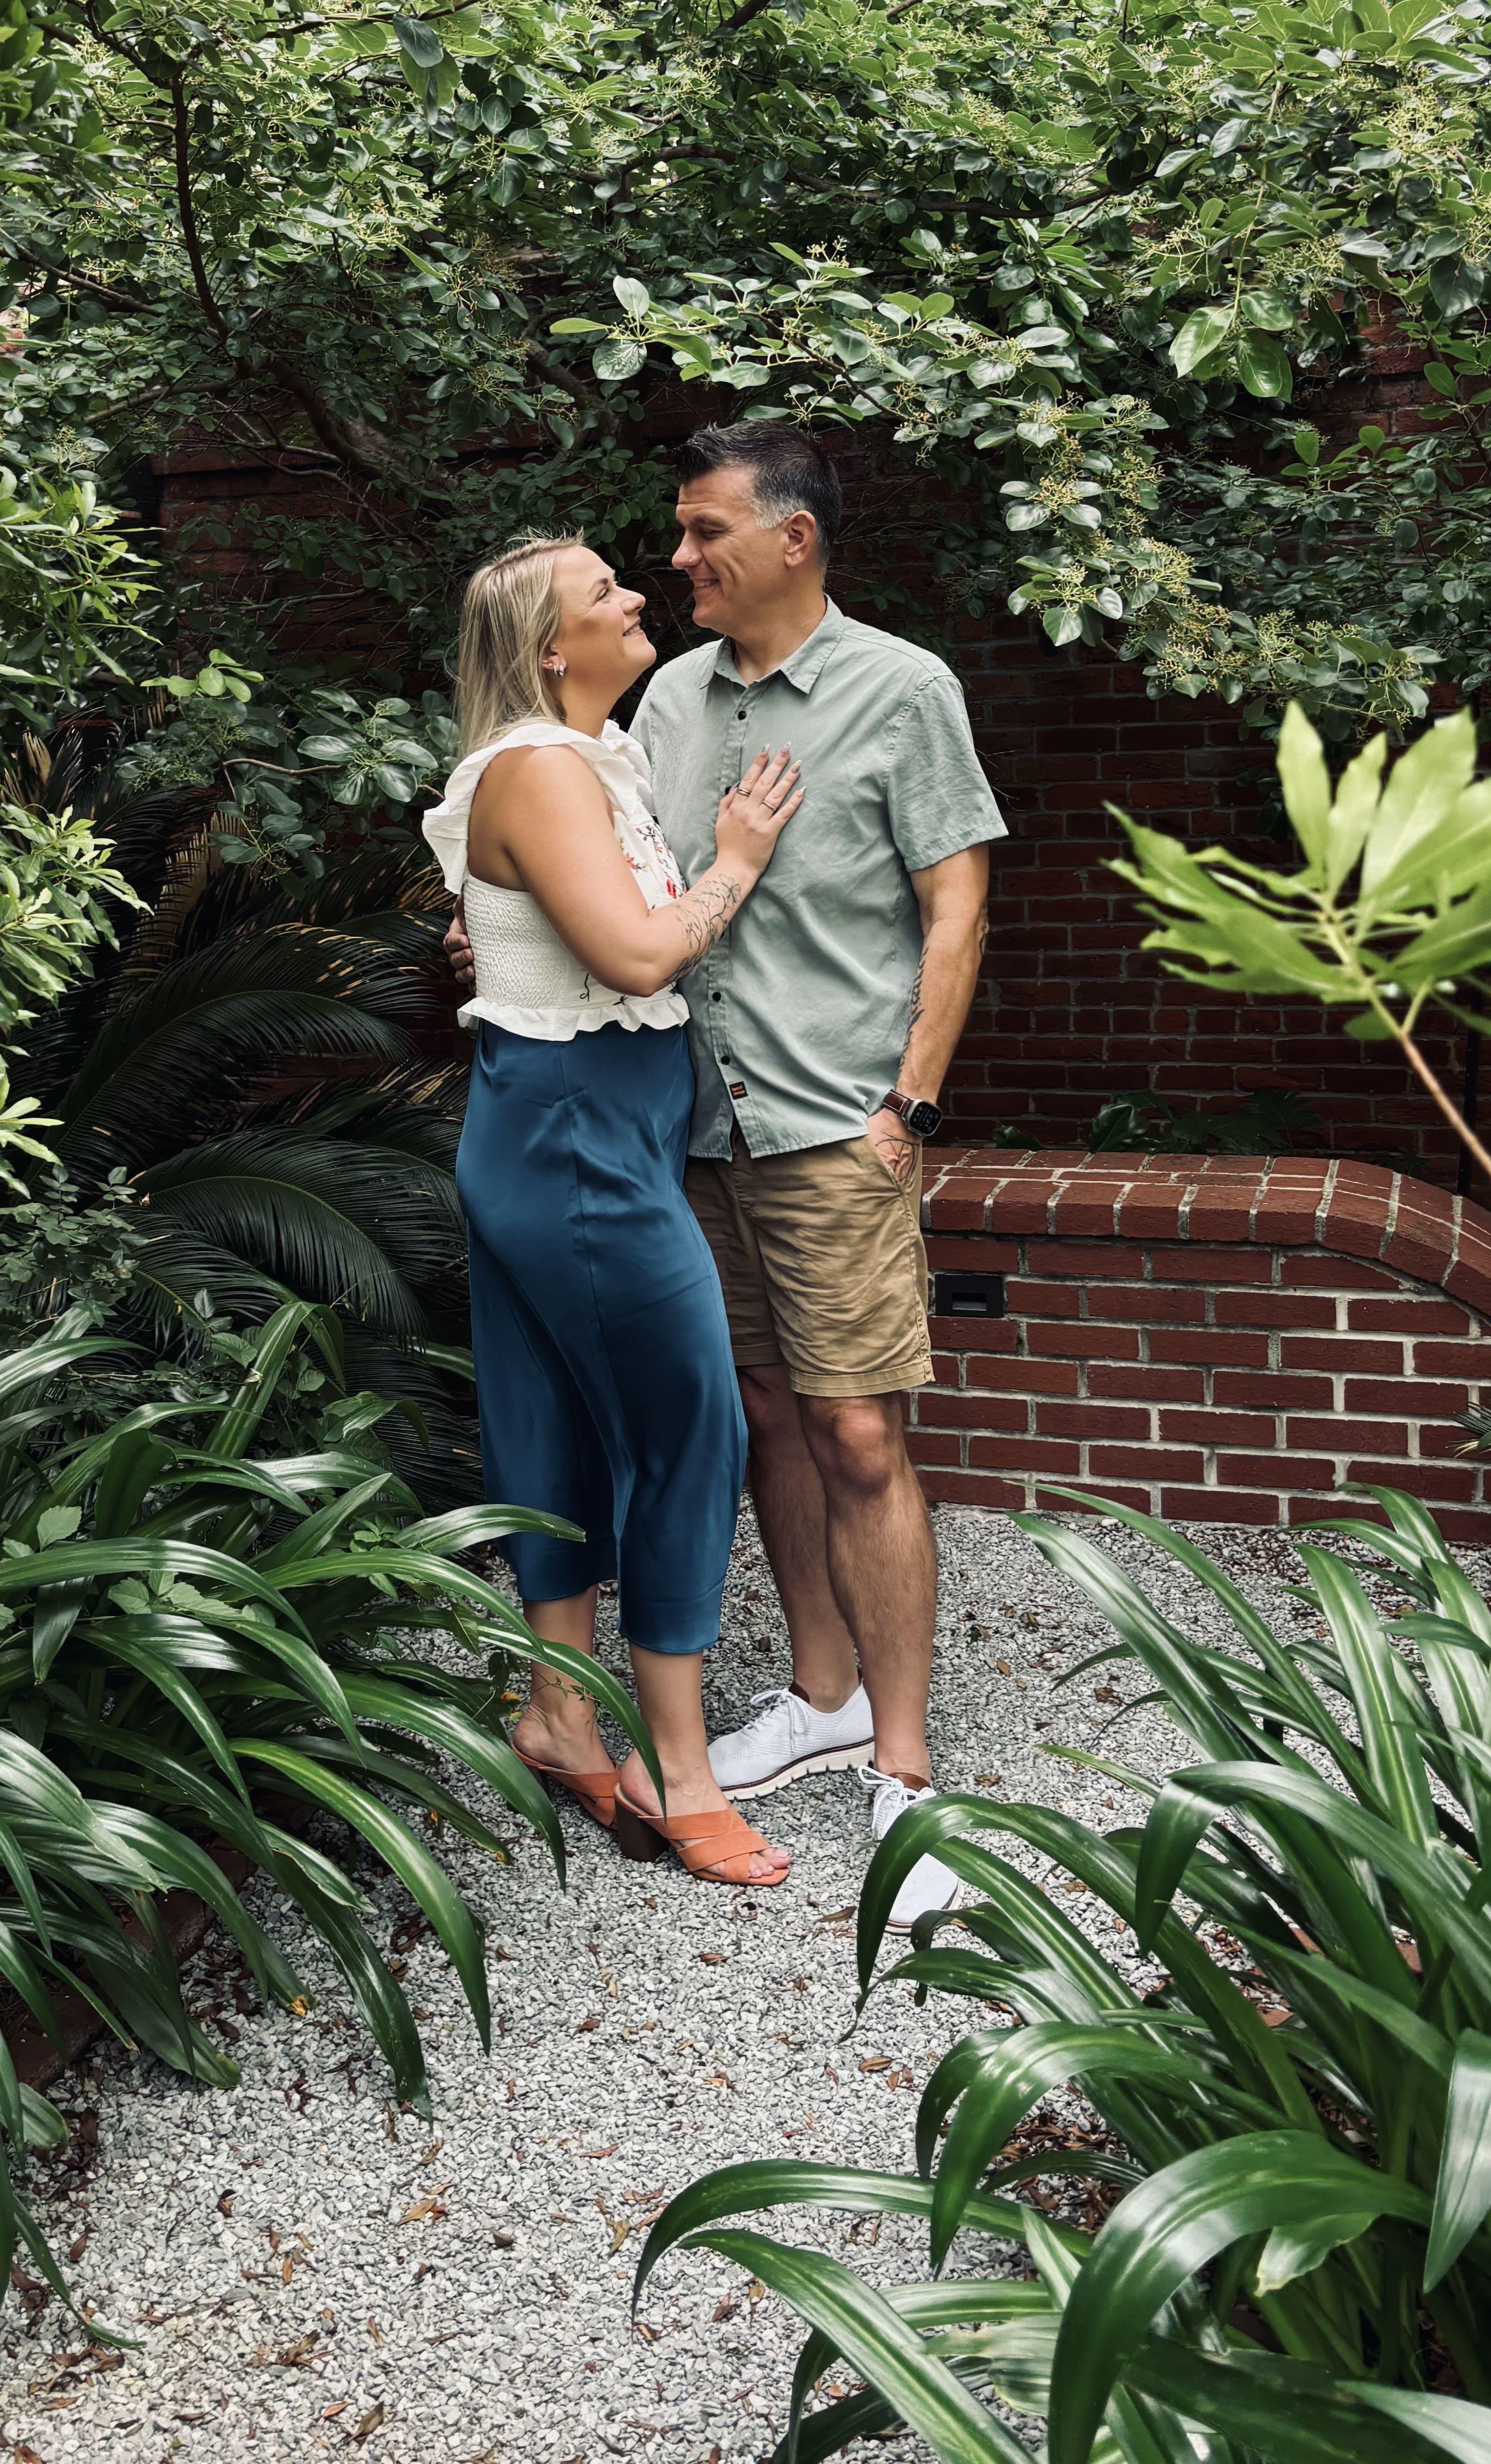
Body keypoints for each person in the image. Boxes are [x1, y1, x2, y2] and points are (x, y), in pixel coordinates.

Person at [634, 422, 1005, 1927]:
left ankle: (906, 1773)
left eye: (705, 530)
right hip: (697, 1127)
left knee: (859, 1431)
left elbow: (957, 907)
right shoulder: (668, 699)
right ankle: (823, 1697)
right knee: (772, 1414)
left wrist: (911, 1103)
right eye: (679, 531)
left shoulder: (903, 689)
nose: (681, 557)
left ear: (794, 538)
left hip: (837, 1125)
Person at [421, 531, 807, 1887]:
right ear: (548, 649)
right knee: (692, 1425)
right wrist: (738, 859)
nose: (636, 593)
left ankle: (559, 1716)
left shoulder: (592, 759)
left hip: (574, 1126)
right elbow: (641, 955)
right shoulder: (539, 766)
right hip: (576, 1136)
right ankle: (679, 1770)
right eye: (603, 593)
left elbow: (528, 932)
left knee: (559, 1422)